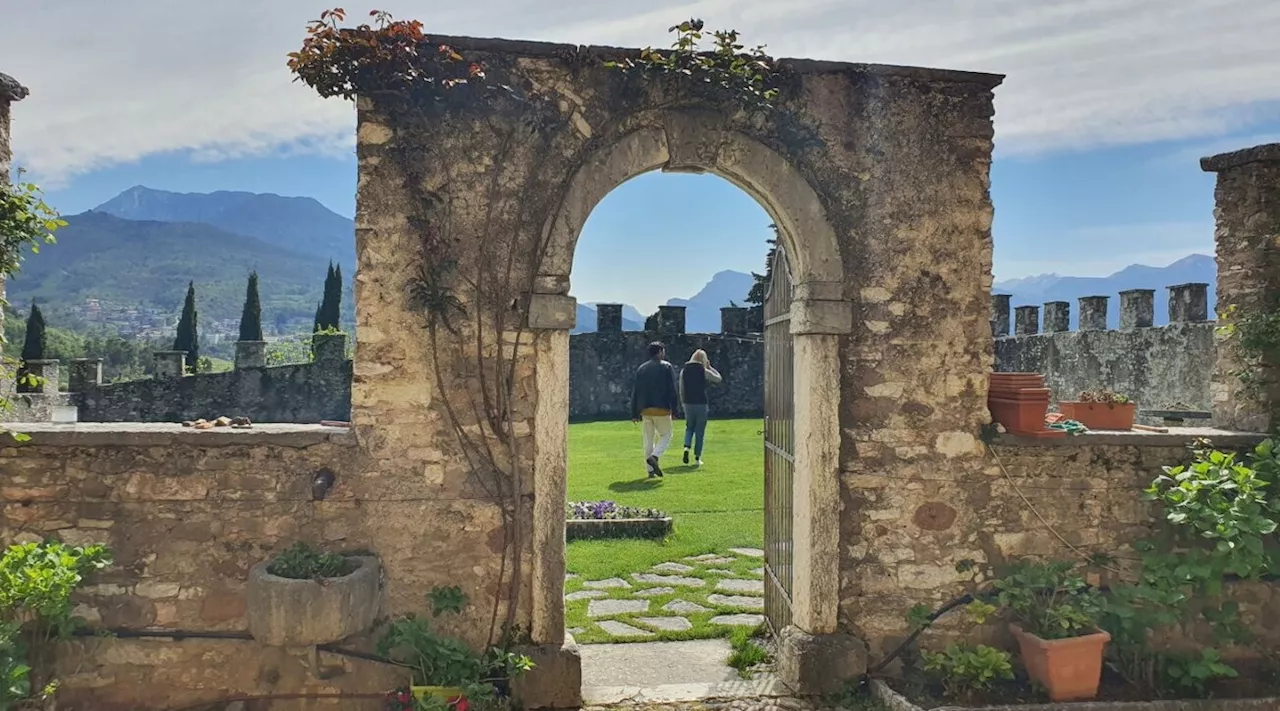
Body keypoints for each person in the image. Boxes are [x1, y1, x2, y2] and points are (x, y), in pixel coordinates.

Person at [630, 341, 679, 478]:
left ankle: (650, 470)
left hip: (645, 410)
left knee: (648, 440)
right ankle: (655, 456)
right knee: (666, 435)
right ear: (660, 352)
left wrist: (634, 412)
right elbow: (672, 390)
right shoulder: (666, 367)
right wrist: (675, 410)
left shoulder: (641, 369)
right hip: (662, 408)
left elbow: (636, 392)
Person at [679, 349, 722, 467]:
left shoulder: (684, 371)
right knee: (700, 432)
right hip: (701, 403)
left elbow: (681, 388)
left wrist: (683, 402)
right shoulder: (703, 371)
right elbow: (718, 379)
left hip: (688, 403)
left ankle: (686, 448)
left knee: (689, 428)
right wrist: (710, 367)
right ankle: (697, 458)